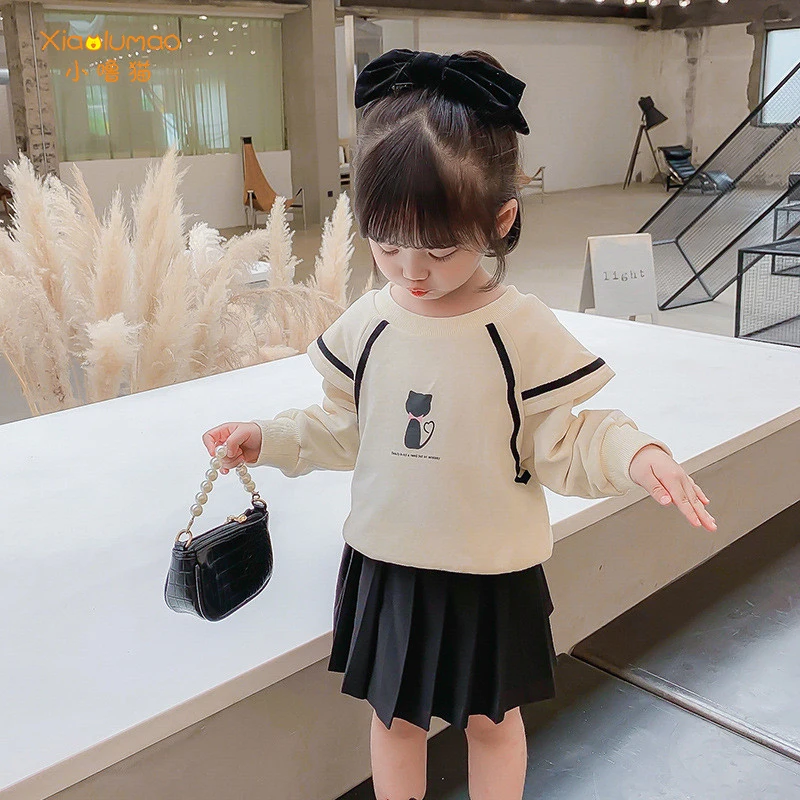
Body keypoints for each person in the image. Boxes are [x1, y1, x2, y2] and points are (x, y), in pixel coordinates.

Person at [203, 48, 716, 800]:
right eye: (386, 244)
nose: (411, 270)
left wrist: (636, 454)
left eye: (440, 248)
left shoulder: (518, 330)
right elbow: (343, 428)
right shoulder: (369, 324)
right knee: (395, 721)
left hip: (490, 571)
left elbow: (564, 441)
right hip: (391, 564)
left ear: (500, 219)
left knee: (493, 722)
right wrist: (267, 439)